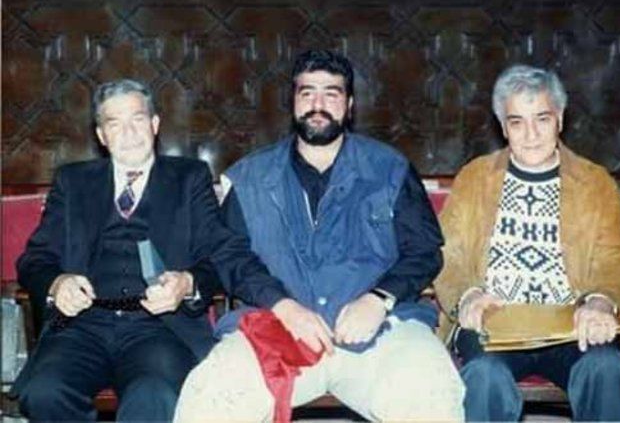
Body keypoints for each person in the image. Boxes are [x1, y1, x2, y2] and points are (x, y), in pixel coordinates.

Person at [175, 49, 464, 421]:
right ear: (293, 102)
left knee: (432, 394)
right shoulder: (251, 176)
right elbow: (230, 257)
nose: (318, 105)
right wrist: (283, 306)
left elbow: (424, 251)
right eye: (307, 92)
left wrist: (378, 299)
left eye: (331, 93)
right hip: (276, 329)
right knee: (209, 396)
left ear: (350, 105)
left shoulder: (389, 169)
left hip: (381, 332)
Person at [11, 79, 274, 421]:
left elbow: (218, 255)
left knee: (154, 395)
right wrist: (57, 284)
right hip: (82, 326)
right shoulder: (72, 181)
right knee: (43, 393)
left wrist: (188, 283)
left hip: (158, 327)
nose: (129, 133)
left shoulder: (189, 178)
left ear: (155, 124)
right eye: (115, 124)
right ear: (101, 135)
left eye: (137, 119)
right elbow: (35, 259)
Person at [434, 64, 620, 421]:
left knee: (606, 368)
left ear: (560, 119)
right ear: (503, 127)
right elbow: (448, 254)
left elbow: (616, 258)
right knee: (484, 377)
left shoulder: (595, 182)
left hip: (572, 323)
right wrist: (468, 295)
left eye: (542, 119)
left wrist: (602, 300)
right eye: (517, 122)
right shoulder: (475, 178)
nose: (530, 135)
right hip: (495, 323)